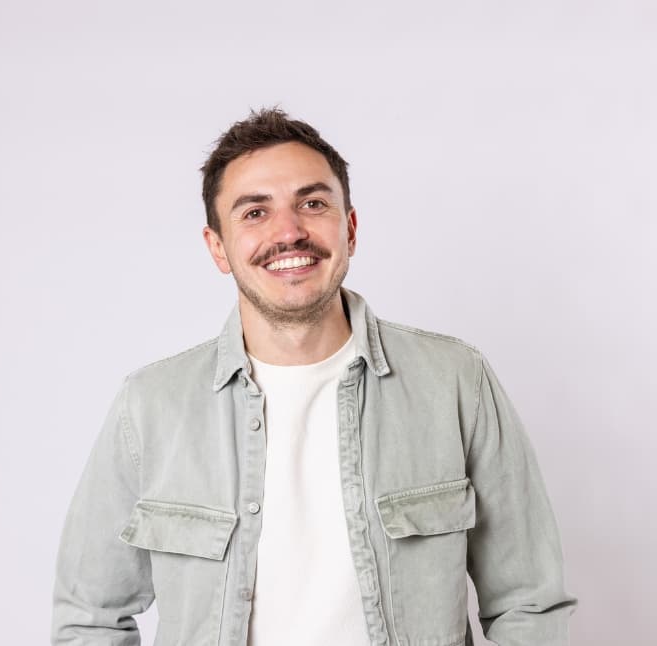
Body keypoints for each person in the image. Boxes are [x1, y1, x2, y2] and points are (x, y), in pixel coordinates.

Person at [51, 108, 576, 646]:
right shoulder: (150, 406)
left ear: (349, 227)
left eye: (313, 203)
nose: (289, 231)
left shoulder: (455, 381)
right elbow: (89, 617)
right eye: (254, 212)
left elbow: (529, 603)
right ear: (218, 248)